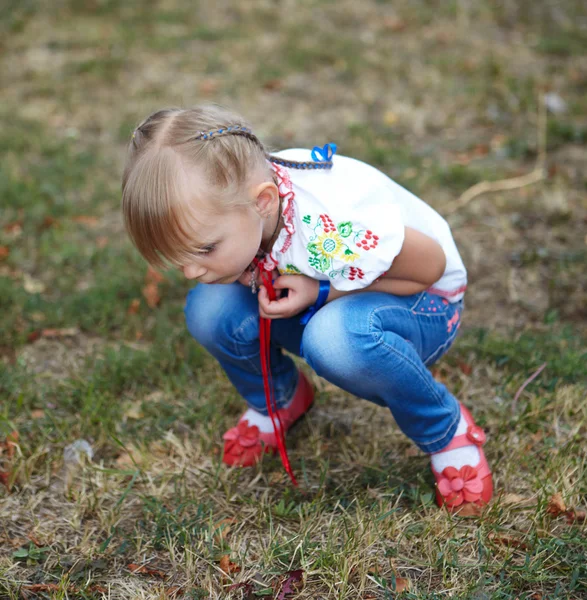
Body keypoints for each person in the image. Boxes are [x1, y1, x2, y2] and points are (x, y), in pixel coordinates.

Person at [121, 104, 493, 510]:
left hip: (423, 305)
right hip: (323, 286)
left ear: (262, 202)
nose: (191, 269)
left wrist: (320, 292)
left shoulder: (330, 224)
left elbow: (429, 268)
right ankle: (279, 399)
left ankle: (445, 427)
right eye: (178, 256)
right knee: (210, 309)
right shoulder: (242, 205)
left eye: (206, 249)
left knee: (333, 339)